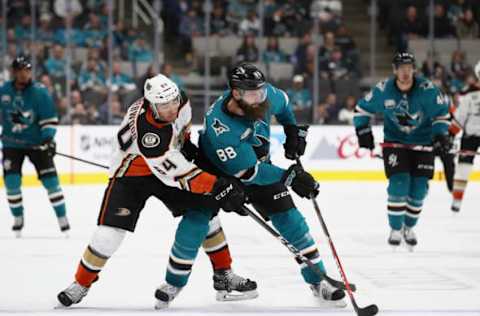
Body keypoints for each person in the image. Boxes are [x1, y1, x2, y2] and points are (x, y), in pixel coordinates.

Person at [56, 74, 255, 309]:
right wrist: (218, 186)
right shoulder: (149, 133)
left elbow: (182, 133)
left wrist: (187, 147)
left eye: (172, 102)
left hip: (167, 162)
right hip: (132, 172)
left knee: (207, 212)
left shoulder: (181, 100)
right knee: (108, 235)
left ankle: (223, 275)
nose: (171, 108)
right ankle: (81, 283)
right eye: (163, 105)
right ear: (151, 104)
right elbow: (180, 175)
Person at [194, 63, 347, 307]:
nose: (260, 98)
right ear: (236, 93)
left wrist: (292, 132)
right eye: (253, 94)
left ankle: (318, 281)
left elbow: (285, 106)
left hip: (256, 166)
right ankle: (218, 277)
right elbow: (249, 173)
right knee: (200, 221)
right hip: (222, 175)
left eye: (261, 91)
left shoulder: (263, 97)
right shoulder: (220, 125)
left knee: (293, 223)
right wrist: (291, 177)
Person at [354, 52, 451, 250]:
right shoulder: (384, 89)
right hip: (395, 143)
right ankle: (395, 229)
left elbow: (442, 114)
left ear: (414, 69)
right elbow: (361, 110)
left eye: (409, 68)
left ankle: (409, 227)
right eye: (401, 68)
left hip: (423, 143)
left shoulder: (428, 90)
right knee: (399, 183)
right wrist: (363, 131)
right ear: (395, 70)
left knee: (419, 189)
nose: (405, 72)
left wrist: (441, 135)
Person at [0, 55, 69, 237]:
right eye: (21, 70)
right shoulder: (3, 91)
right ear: (14, 72)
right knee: (11, 182)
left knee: (51, 182)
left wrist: (48, 139)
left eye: (28, 70)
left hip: (37, 143)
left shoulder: (40, 92)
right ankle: (18, 218)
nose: (25, 74)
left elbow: (49, 119)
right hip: (11, 143)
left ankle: (62, 218)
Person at [451, 61, 480, 212]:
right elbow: (459, 118)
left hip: (471, 135)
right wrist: (449, 135)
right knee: (463, 168)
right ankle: (457, 200)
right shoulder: (469, 96)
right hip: (470, 136)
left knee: (463, 168)